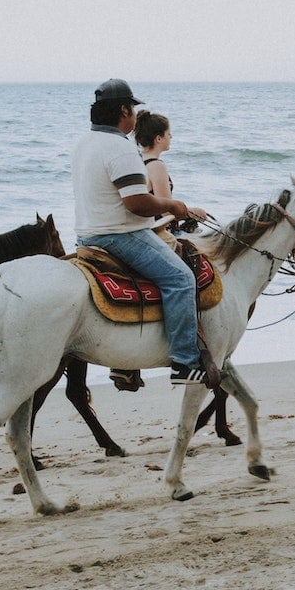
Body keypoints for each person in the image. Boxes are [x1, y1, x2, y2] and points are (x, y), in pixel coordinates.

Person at [72, 79, 215, 388]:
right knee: (180, 279)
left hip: (86, 235)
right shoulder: (120, 147)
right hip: (120, 235)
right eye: (132, 108)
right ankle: (185, 362)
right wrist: (174, 206)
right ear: (124, 110)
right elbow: (137, 203)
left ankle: (127, 362)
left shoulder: (85, 141)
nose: (134, 115)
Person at [132, 110, 194, 235]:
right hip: (158, 231)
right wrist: (194, 212)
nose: (171, 137)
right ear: (159, 138)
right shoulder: (156, 165)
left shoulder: (137, 159)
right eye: (168, 134)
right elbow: (166, 212)